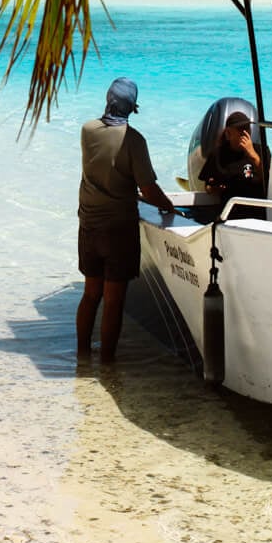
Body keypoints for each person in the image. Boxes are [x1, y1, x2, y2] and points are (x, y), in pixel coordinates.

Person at [76, 76, 174, 363]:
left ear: (108, 100)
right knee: (114, 300)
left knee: (91, 294)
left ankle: (82, 357)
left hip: (89, 225)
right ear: (132, 108)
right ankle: (107, 364)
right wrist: (169, 207)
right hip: (118, 229)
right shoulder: (134, 140)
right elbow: (148, 189)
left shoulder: (87, 130)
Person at [198, 110, 267, 219]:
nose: (245, 133)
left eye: (247, 128)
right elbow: (207, 185)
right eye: (240, 129)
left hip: (258, 214)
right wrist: (214, 188)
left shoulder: (261, 151)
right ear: (229, 133)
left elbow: (269, 180)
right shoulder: (218, 155)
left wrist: (253, 155)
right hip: (230, 214)